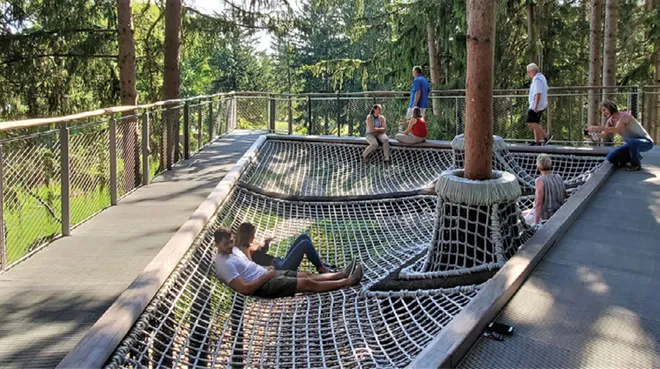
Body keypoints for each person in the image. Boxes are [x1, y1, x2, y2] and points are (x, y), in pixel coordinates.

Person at [214, 228, 363, 298]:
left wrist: (265, 269)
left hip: (268, 273)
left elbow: (248, 267)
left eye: (231, 241)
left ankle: (341, 274)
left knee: (306, 274)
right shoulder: (224, 264)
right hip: (263, 286)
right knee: (306, 283)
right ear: (217, 244)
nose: (230, 246)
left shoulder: (234, 251)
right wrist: (266, 276)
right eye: (226, 244)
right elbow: (245, 289)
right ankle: (349, 281)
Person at [236, 222, 333, 273]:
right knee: (305, 244)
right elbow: (251, 268)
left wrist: (266, 244)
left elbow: (261, 253)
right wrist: (268, 269)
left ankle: (320, 263)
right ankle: (322, 269)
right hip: (280, 268)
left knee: (303, 236)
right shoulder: (244, 249)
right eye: (252, 235)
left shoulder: (250, 243)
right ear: (246, 236)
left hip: (279, 261)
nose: (254, 237)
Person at [588, 100, 654, 171]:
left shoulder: (625, 116)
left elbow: (617, 129)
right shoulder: (610, 121)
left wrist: (597, 127)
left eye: (604, 110)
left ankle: (636, 165)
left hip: (646, 142)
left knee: (632, 142)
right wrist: (592, 135)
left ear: (610, 108)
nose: (603, 113)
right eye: (602, 111)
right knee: (610, 157)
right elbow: (603, 135)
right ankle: (634, 156)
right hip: (630, 144)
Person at [522, 154, 568, 224]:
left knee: (521, 217)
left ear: (538, 167)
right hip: (558, 212)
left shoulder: (540, 180)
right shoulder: (559, 177)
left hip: (545, 216)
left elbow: (538, 203)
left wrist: (536, 223)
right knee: (524, 212)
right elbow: (565, 196)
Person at [525, 63, 552, 146]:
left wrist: (536, 106)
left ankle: (546, 136)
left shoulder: (537, 79)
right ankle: (537, 141)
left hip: (537, 105)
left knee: (530, 121)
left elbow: (538, 93)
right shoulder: (541, 77)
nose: (528, 74)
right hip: (541, 104)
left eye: (528, 72)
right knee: (535, 122)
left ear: (532, 71)